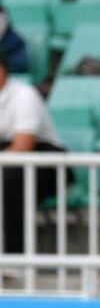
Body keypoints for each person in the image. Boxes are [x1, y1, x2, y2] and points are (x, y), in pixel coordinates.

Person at [0, 52, 69, 255]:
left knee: (10, 180)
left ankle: (16, 256)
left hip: (47, 165)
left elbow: (23, 145)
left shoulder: (25, 95)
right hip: (9, 160)